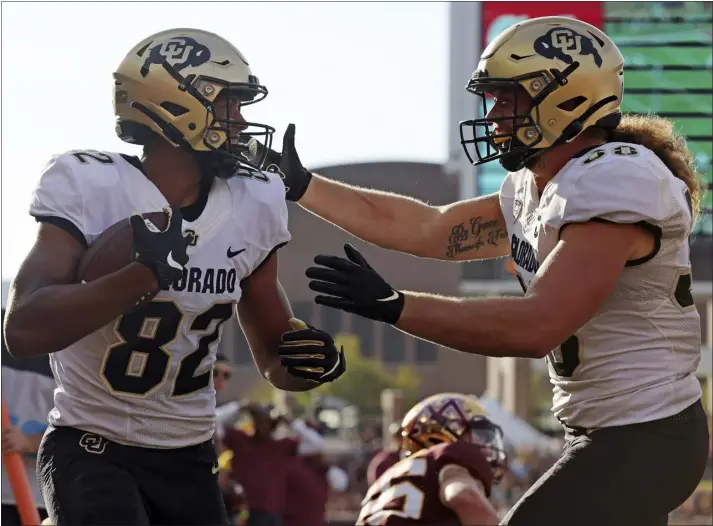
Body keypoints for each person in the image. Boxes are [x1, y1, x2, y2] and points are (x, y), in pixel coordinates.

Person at [253, 16, 710, 525]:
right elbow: (431, 228)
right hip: (612, 431)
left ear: (565, 97)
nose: (493, 115)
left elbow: (538, 326)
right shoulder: (535, 186)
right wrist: (305, 185)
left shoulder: (617, 178)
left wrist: (395, 307)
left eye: (507, 98)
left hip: (648, 431)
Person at [2, 28, 345, 526]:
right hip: (94, 446)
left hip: (188, 455)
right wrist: (140, 276)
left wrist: (311, 361)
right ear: (175, 107)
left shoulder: (255, 202)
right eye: (229, 104)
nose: (243, 121)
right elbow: (23, 330)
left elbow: (274, 359)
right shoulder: (90, 184)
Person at [356, 393, 505, 525]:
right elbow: (464, 496)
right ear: (442, 434)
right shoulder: (449, 456)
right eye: (478, 436)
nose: (485, 447)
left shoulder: (388, 479)